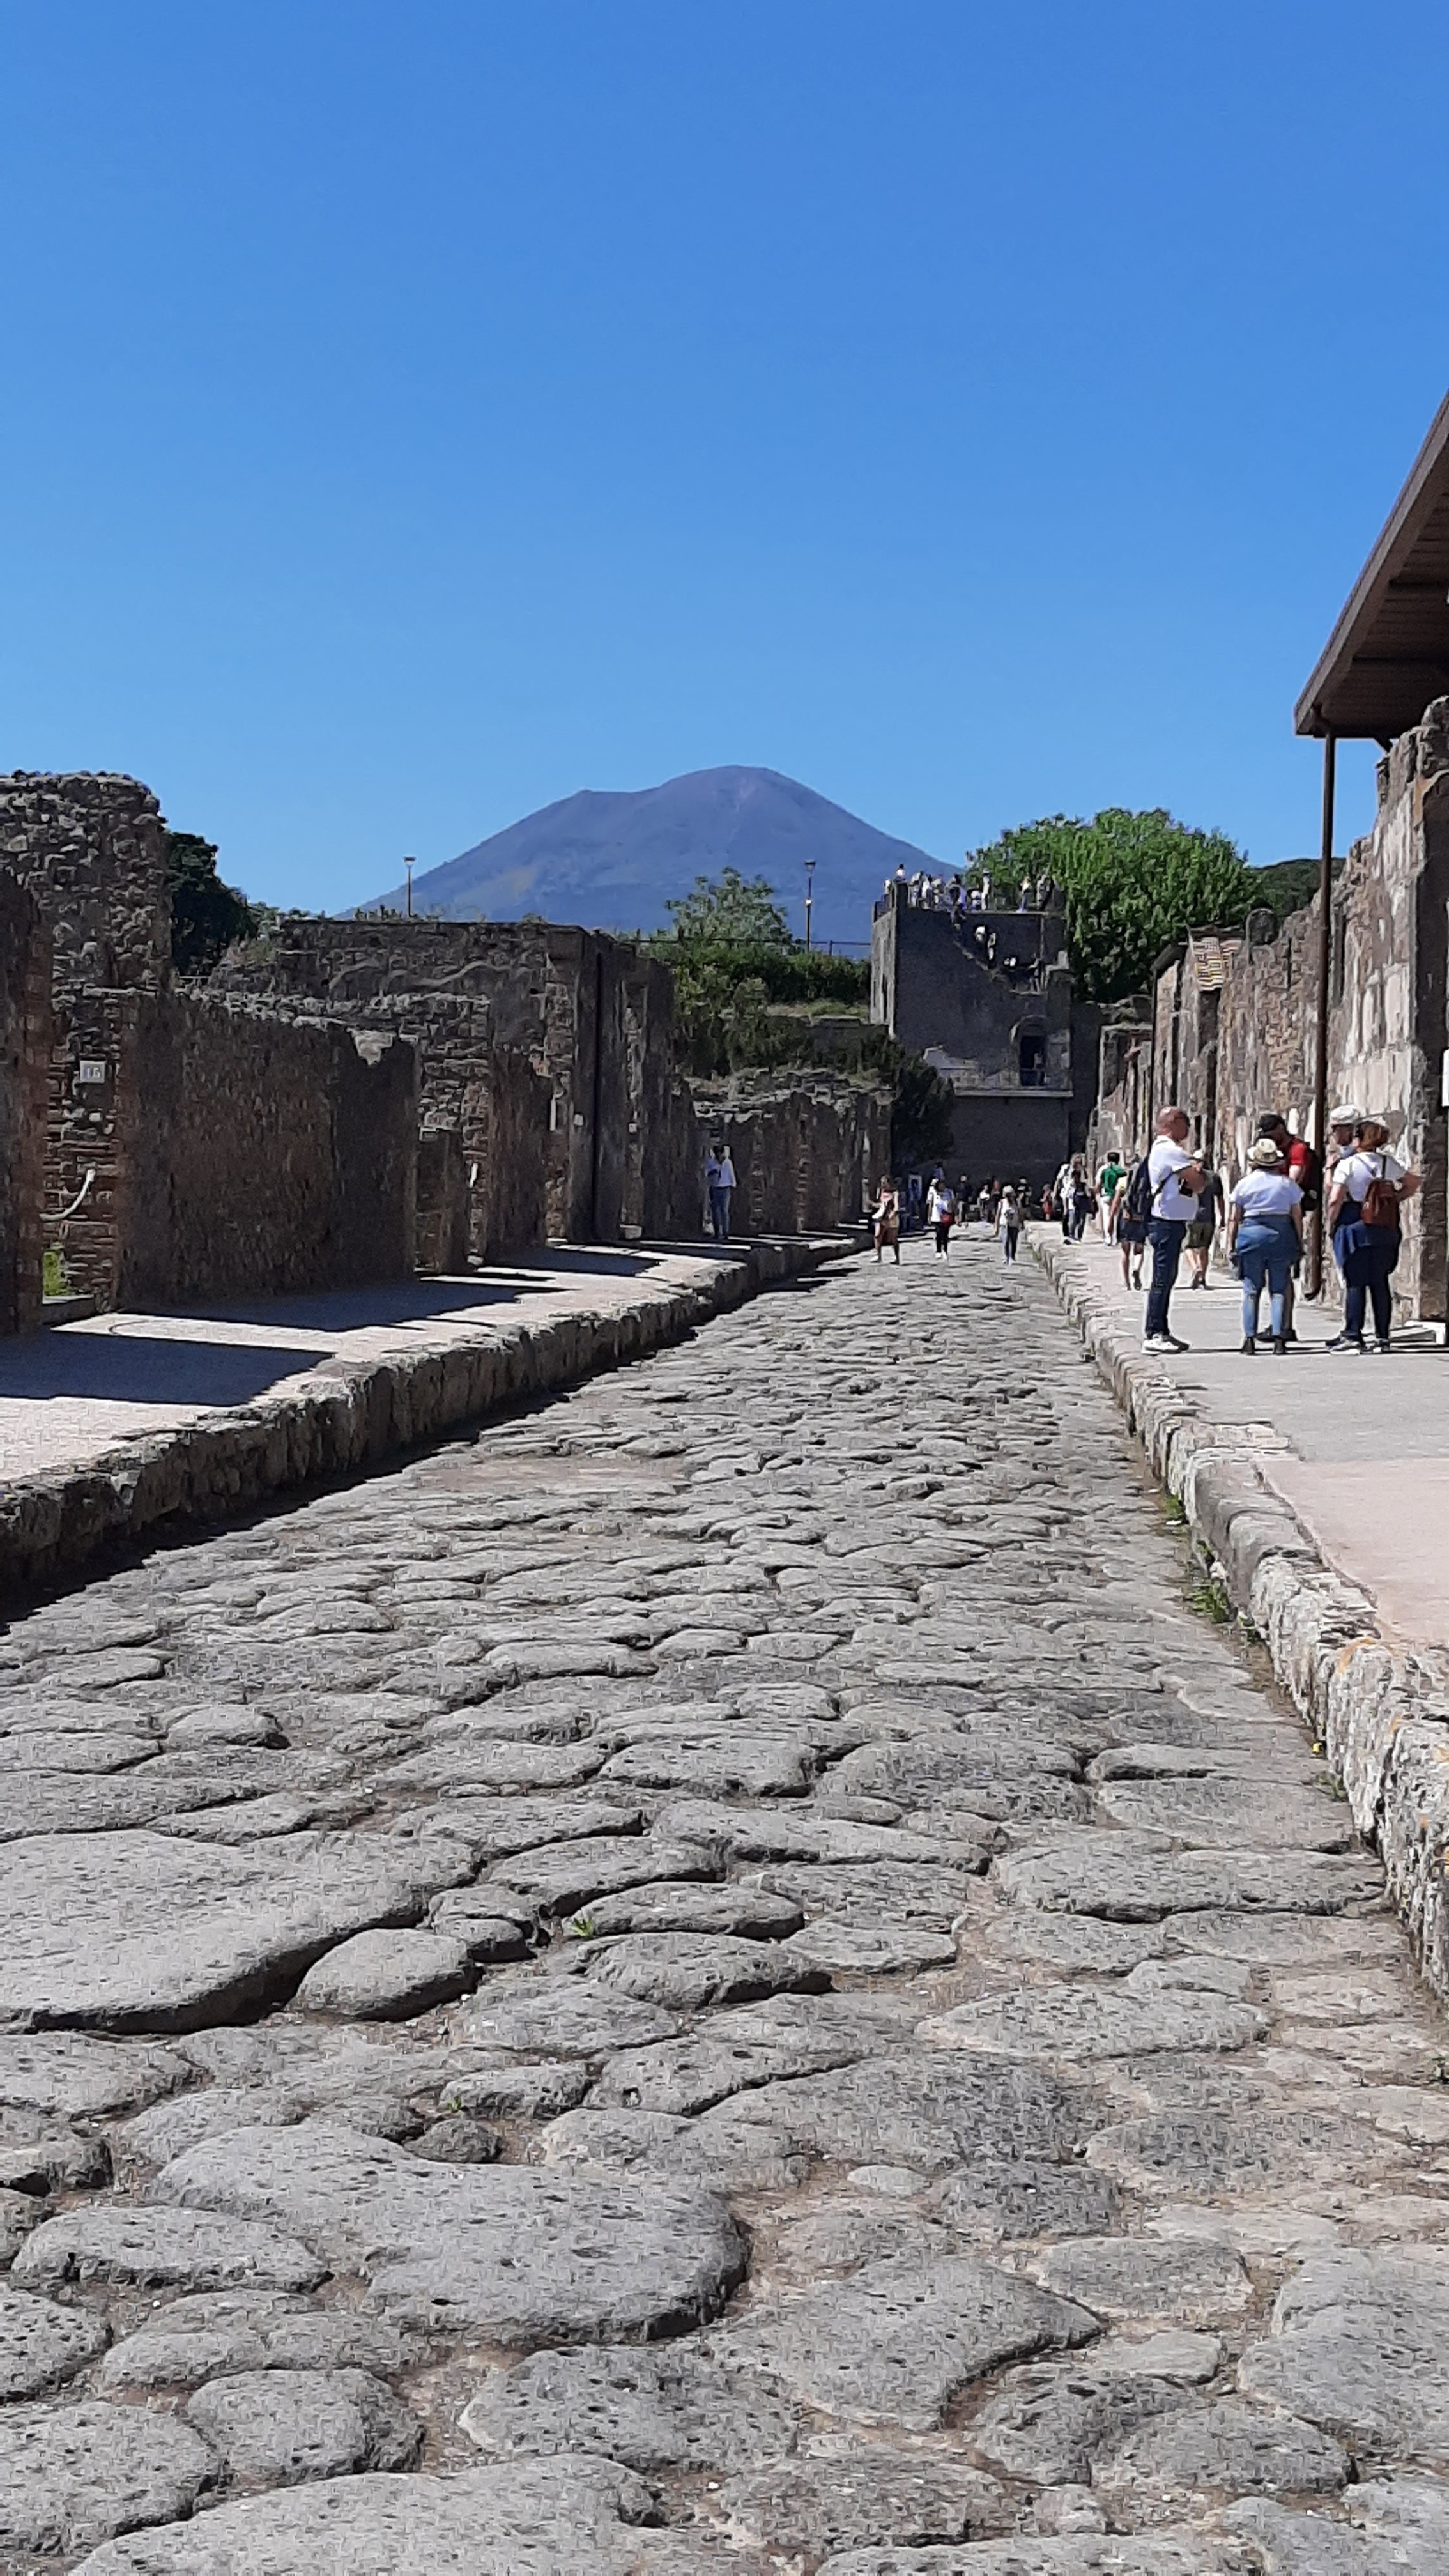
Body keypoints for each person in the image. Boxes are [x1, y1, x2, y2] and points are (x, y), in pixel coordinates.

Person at [1325, 1117, 1420, 1351]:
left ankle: (1353, 1334)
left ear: (1360, 1139)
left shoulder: (1348, 1165)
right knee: (1380, 1282)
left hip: (1356, 1224)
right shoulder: (1389, 1164)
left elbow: (1335, 1199)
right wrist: (1395, 1199)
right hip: (1384, 1226)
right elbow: (1413, 1182)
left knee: (1355, 1281)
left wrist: (1331, 1222)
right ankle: (1382, 1336)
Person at [1227, 1137, 1303, 1355]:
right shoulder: (1287, 1184)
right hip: (1280, 1235)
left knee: (1251, 1289)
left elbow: (1235, 1217)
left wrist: (1231, 1244)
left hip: (1251, 1234)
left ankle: (1249, 1339)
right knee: (1279, 1289)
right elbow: (1296, 1215)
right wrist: (1298, 1241)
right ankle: (1279, 1338)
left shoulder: (1244, 1184)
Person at [1142, 1107, 1206, 1354]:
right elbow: (1198, 1184)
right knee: (1162, 1279)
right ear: (1174, 1123)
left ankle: (1162, 1330)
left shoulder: (1161, 1150)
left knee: (1167, 1278)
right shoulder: (1171, 1151)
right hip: (1166, 1222)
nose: (1189, 1129)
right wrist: (1196, 1172)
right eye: (1186, 1123)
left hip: (1169, 1221)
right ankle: (1154, 1333)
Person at [1254, 1112, 1319, 1339]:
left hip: (1289, 1216)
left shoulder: (1297, 1149)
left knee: (1282, 1274)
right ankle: (1279, 1323)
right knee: (1273, 1275)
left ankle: (1284, 1325)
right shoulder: (1273, 1148)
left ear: (1281, 1128)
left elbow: (1293, 1182)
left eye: (1272, 1133)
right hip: (1276, 1216)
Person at [1184, 1165, 1225, 1287]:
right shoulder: (1213, 1178)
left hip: (1191, 1217)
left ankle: (1196, 1268)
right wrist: (1222, 1216)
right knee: (1204, 1248)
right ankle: (1202, 1278)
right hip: (1208, 1217)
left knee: (1188, 1247)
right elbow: (1220, 1198)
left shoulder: (1186, 1177)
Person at [1110, 1162, 1145, 1288]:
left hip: (1126, 1217)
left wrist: (1111, 1218)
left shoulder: (1124, 1180)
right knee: (1139, 1249)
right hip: (1141, 1218)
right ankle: (1136, 1269)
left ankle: (1127, 1283)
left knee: (1125, 1251)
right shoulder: (1146, 1181)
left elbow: (1117, 1198)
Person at [706, 1143, 735, 1241]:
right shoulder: (711, 1162)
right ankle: (717, 1232)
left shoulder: (728, 1163)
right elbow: (707, 1173)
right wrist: (714, 1171)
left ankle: (726, 1233)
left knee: (724, 1211)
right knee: (715, 1211)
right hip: (715, 1188)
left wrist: (733, 1184)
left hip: (725, 1188)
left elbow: (731, 1174)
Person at [870, 1176, 901, 1264]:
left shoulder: (895, 1193)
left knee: (893, 1239)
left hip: (891, 1217)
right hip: (881, 1216)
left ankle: (897, 1257)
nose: (883, 1185)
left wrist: (891, 1215)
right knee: (877, 1235)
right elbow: (882, 1205)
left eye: (884, 1183)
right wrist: (874, 1205)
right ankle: (878, 1255)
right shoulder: (881, 1192)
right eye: (882, 1183)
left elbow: (896, 1207)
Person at [926, 1172, 957, 1257]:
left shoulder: (949, 1192)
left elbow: (953, 1204)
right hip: (936, 1216)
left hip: (947, 1215)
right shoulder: (933, 1192)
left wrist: (956, 1215)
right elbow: (930, 1204)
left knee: (945, 1234)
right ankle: (939, 1250)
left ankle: (945, 1250)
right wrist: (929, 1216)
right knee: (939, 1233)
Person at [1096, 1151, 1124, 1241]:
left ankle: (1108, 1238)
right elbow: (1123, 1186)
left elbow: (1098, 1184)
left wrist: (1098, 1194)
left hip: (1105, 1195)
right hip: (1116, 1195)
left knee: (1106, 1216)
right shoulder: (1120, 1170)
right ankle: (1115, 1238)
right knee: (1115, 1216)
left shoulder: (1103, 1169)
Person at [997, 1184, 1022, 1263]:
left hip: (1014, 1224)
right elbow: (998, 1214)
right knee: (1006, 1241)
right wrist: (996, 1227)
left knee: (1014, 1241)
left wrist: (1021, 1222)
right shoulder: (1002, 1203)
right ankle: (1007, 1256)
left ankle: (1013, 1256)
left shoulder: (1017, 1203)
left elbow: (1020, 1213)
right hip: (1004, 1224)